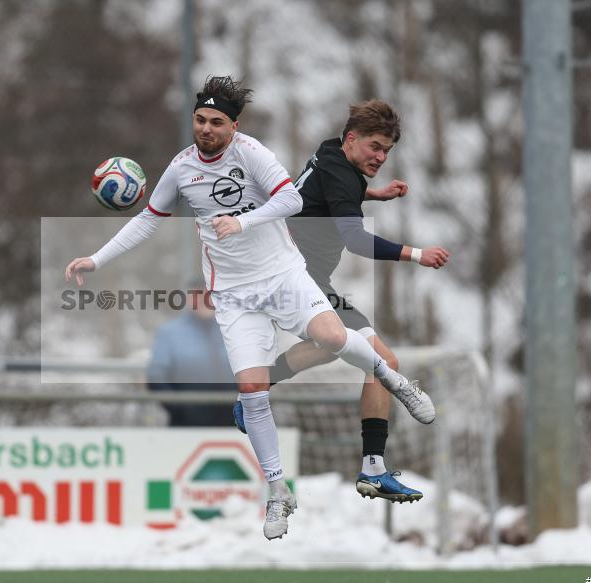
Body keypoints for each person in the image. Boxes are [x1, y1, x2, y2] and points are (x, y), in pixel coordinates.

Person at [65, 75, 432, 540]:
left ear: (233, 125)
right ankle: (278, 492)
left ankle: (393, 379)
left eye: (216, 122)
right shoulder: (181, 170)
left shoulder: (252, 153)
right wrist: (95, 259)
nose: (206, 129)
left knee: (335, 338)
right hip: (235, 295)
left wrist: (242, 222)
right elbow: (146, 222)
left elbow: (291, 197)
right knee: (252, 393)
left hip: (282, 273)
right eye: (199, 120)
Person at [264, 99, 450, 503]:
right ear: (353, 139)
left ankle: (258, 386)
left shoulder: (332, 152)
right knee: (381, 362)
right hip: (295, 280)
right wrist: (416, 254)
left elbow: (324, 195)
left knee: (335, 350)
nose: (381, 157)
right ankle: (374, 469)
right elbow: (356, 239)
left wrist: (374, 195)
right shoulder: (343, 175)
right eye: (375, 148)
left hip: (303, 276)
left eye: (387, 151)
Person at [146, 280, 237, 426]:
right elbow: (156, 377)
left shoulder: (233, 330)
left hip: (233, 420)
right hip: (187, 422)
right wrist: (179, 408)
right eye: (197, 295)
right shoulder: (170, 333)